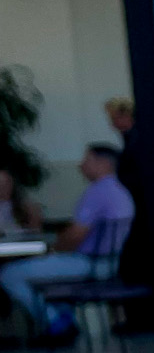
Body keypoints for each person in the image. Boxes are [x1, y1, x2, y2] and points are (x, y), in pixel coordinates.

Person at [0, 145, 135, 341]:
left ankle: (56, 321)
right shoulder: (121, 192)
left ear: (103, 164)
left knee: (9, 275)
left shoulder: (98, 192)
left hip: (89, 264)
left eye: (87, 160)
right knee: (42, 274)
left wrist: (53, 250)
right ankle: (63, 319)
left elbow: (76, 234)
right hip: (111, 263)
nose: (81, 165)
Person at [0, 166, 42, 237]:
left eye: (7, 183)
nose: (4, 187)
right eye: (1, 184)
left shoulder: (27, 208)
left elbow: (37, 236)